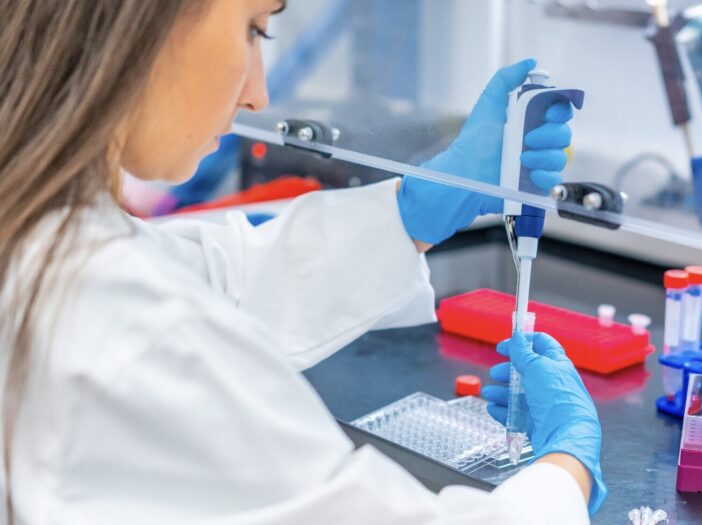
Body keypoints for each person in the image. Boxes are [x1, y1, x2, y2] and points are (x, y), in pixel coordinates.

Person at [0, 1, 606, 523]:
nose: (257, 92)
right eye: (254, 28)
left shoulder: (36, 229)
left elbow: (208, 277)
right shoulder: (124, 328)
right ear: (139, 22)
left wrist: (413, 212)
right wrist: (567, 468)